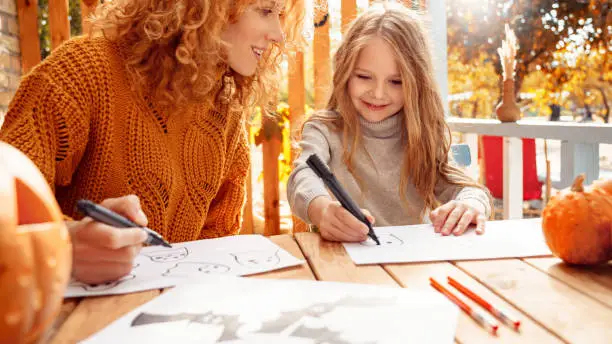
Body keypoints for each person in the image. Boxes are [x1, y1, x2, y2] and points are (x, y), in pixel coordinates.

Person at [0, 0, 304, 284]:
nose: (278, 33)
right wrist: (64, 245)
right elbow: (7, 205)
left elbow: (217, 241)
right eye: (265, 10)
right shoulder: (80, 74)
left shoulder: (223, 112)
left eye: (280, 14)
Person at [287, 2, 492, 243]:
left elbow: (466, 188)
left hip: (412, 266)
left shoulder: (423, 134)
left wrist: (470, 204)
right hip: (343, 265)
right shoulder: (323, 130)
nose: (378, 93)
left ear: (417, 83)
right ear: (344, 71)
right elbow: (302, 175)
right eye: (364, 77)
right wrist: (321, 210)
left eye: (396, 82)